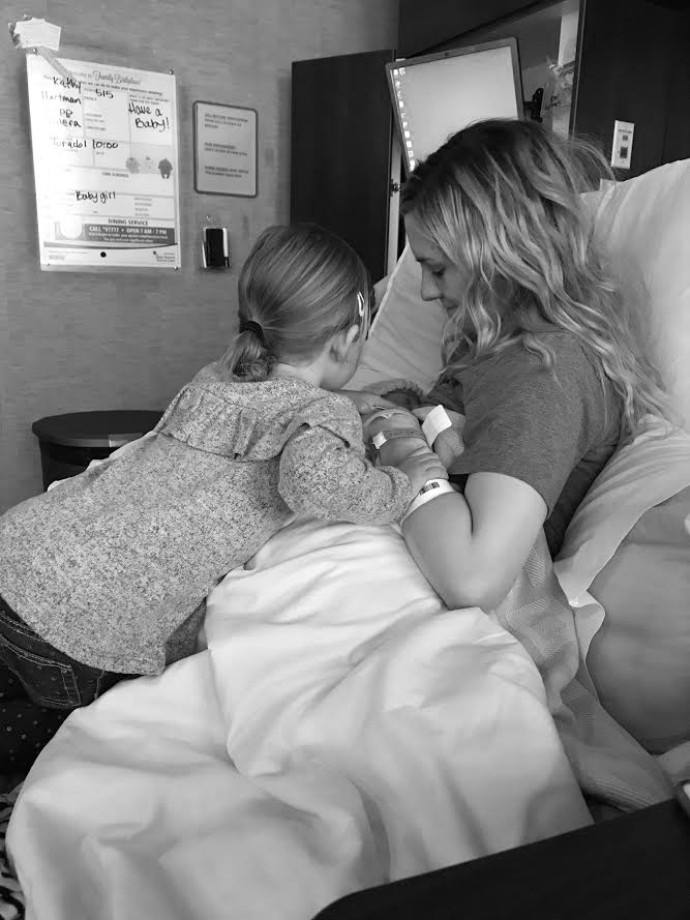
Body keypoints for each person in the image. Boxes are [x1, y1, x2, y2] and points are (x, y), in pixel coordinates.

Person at [0, 223, 447, 773]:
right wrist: (402, 480)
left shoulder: (221, 376)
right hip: (79, 619)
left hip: (24, 547)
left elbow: (281, 407)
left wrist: (353, 399)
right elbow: (315, 481)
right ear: (348, 338)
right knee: (46, 732)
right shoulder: (320, 413)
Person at [355, 118, 670, 614]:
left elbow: (473, 578)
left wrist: (392, 437)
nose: (427, 292)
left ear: (503, 255)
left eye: (437, 268)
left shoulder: (546, 373)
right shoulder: (498, 350)